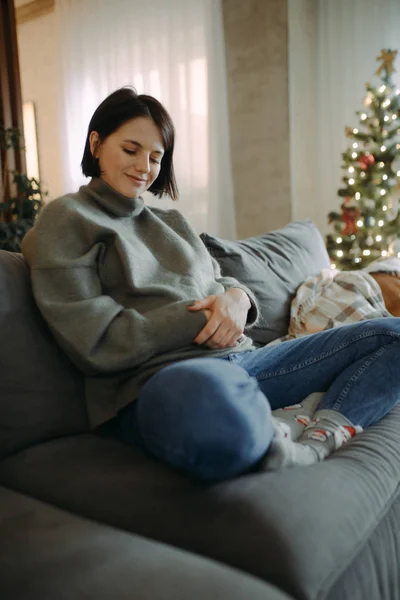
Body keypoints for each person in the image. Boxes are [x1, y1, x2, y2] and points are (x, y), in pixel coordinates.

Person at [22, 87, 400, 481]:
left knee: (392, 335)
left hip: (246, 362)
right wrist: (196, 320)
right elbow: (95, 341)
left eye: (156, 157)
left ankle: (315, 441)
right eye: (131, 149)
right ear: (96, 143)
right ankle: (268, 424)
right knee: (203, 402)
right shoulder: (65, 220)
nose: (144, 167)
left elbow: (222, 281)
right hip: (160, 381)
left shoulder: (172, 223)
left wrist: (239, 299)